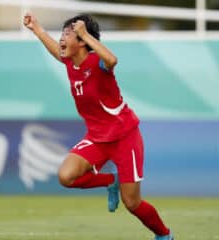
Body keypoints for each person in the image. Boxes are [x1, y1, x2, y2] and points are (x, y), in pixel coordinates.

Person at [23, 13, 174, 240]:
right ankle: (110, 180)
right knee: (66, 176)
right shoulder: (69, 62)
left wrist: (85, 34)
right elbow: (56, 50)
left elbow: (112, 60)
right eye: (62, 34)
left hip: (125, 136)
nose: (62, 39)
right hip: (97, 138)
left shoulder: (97, 62)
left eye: (67, 34)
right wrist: (36, 29)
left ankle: (164, 235)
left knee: (132, 202)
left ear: (82, 41)